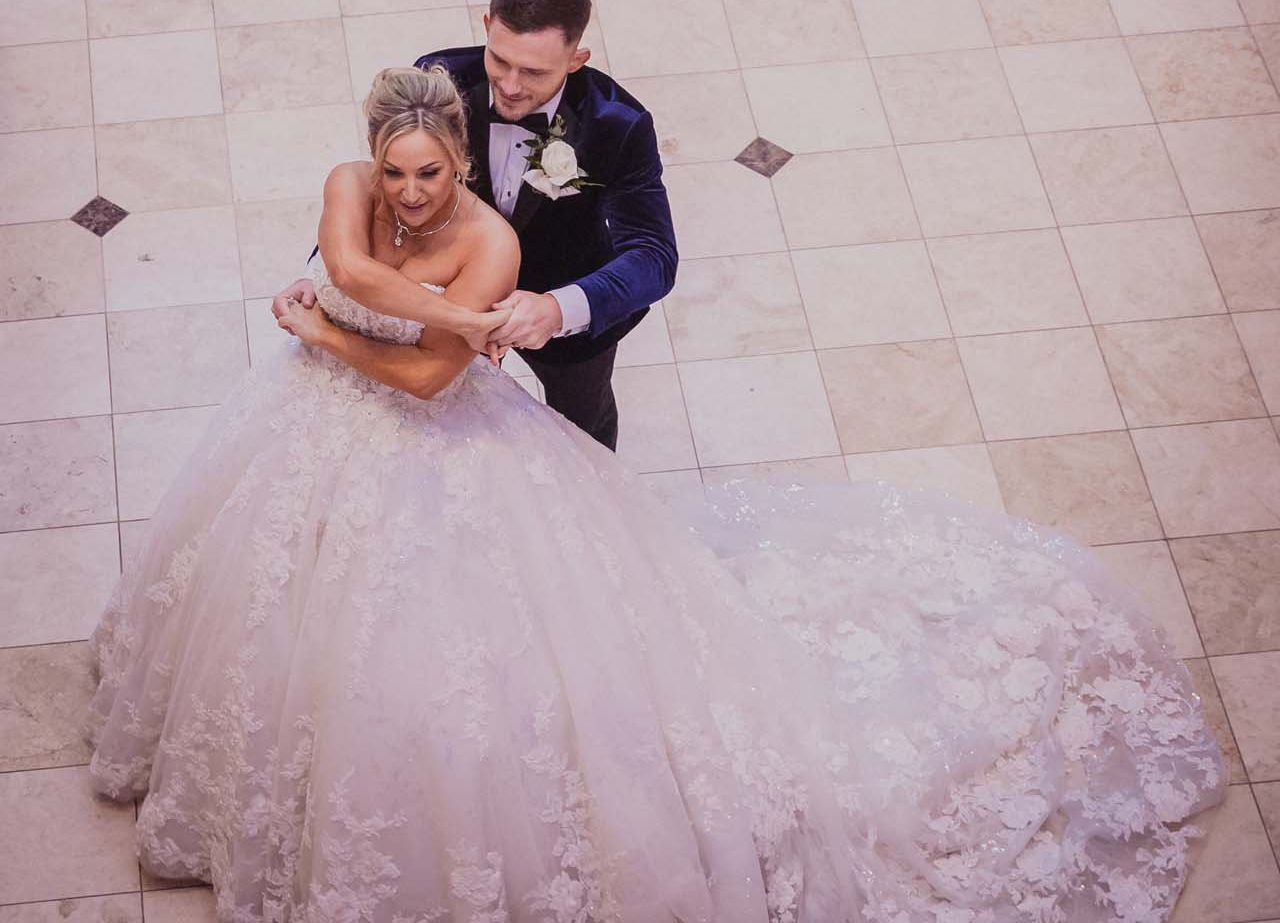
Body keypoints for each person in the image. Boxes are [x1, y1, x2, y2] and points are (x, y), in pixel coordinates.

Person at [89, 65, 1226, 923]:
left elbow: (431, 382)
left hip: (420, 415)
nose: (409, 190)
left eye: (430, 171)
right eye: (394, 171)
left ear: (462, 167)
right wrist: (404, 310)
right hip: (314, 432)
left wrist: (347, 336)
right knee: (278, 608)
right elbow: (346, 268)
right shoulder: (355, 190)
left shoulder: (493, 233)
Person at [273, 0, 679, 449]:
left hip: (558, 312)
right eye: (500, 60)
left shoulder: (618, 123)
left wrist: (557, 308)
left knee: (583, 429)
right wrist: (329, 268)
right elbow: (390, 172)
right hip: (436, 301)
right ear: (487, 27)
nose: (509, 85)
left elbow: (654, 255)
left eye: (533, 72)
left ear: (576, 58)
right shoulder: (441, 79)